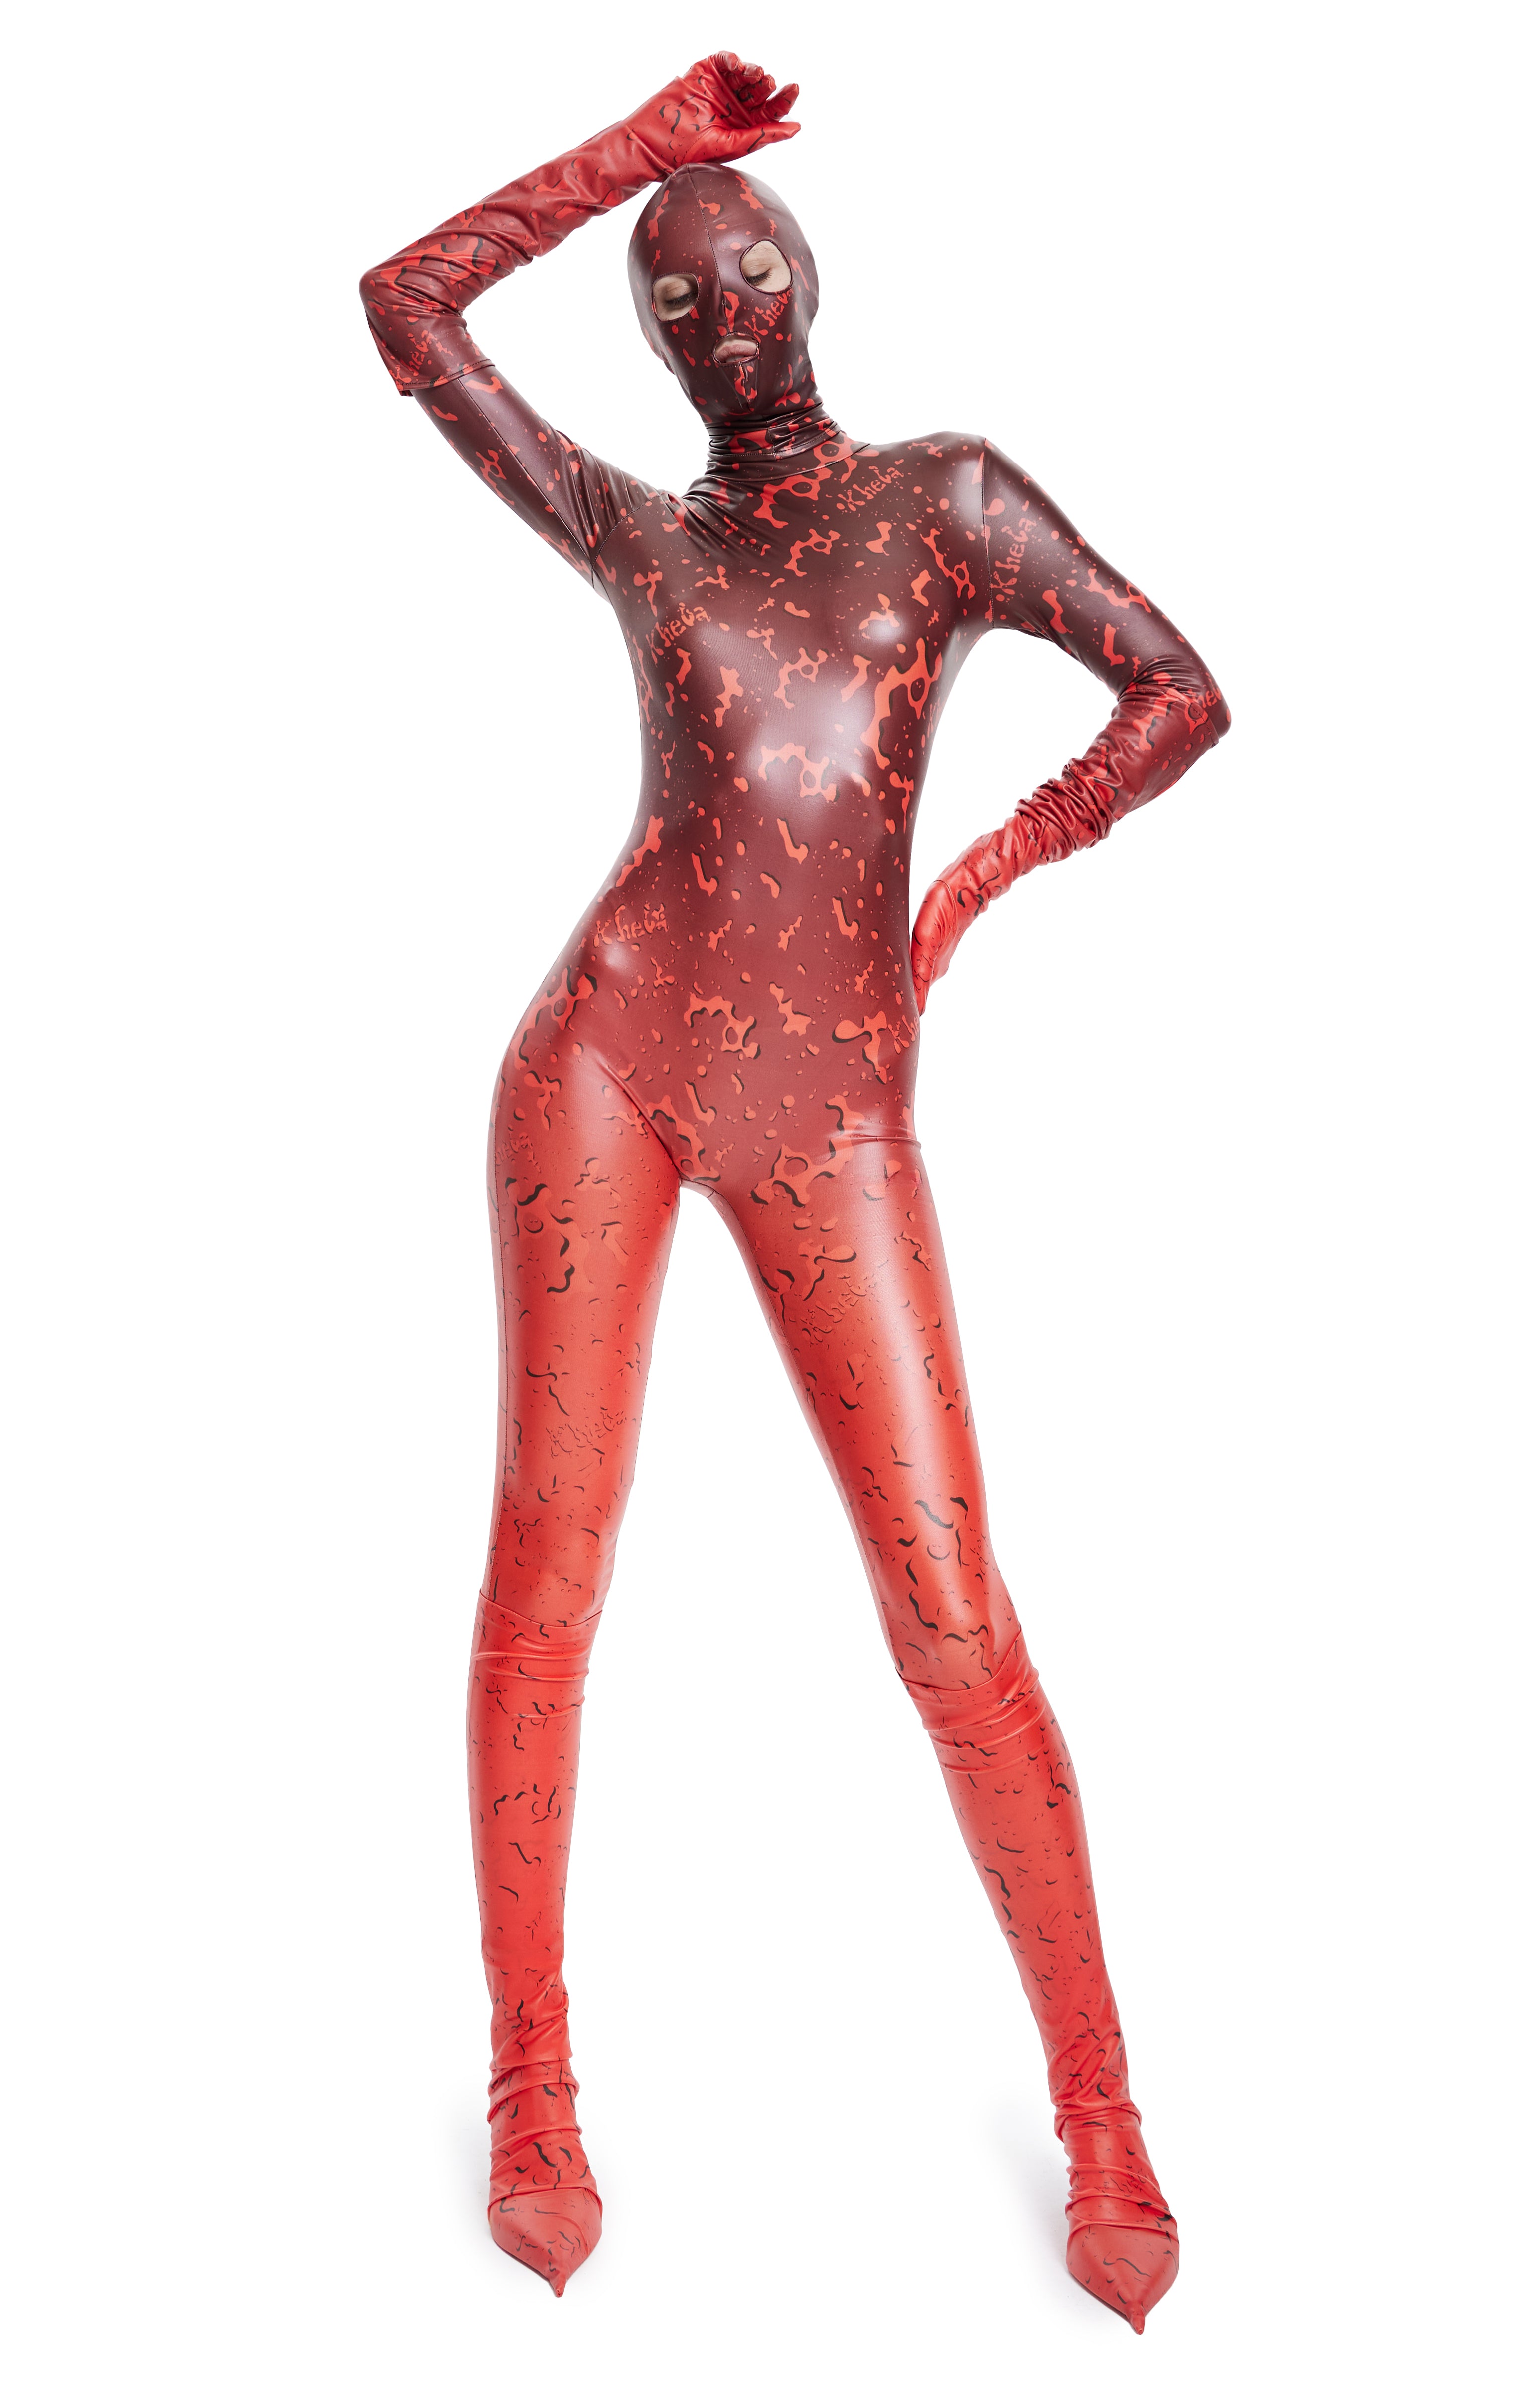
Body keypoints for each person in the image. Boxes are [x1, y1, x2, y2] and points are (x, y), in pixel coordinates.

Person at [360, 51, 1229, 2328]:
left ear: (811, 274)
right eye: (676, 295)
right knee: (552, 1562)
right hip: (608, 1063)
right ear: (655, 342)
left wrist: (976, 883)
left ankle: (1105, 2106)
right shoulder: (644, 534)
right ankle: (532, 2080)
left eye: (746, 266)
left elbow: (1176, 689)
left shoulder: (947, 498)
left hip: (833, 1106)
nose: (721, 310)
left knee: (954, 1620)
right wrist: (635, 153)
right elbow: (406, 307)